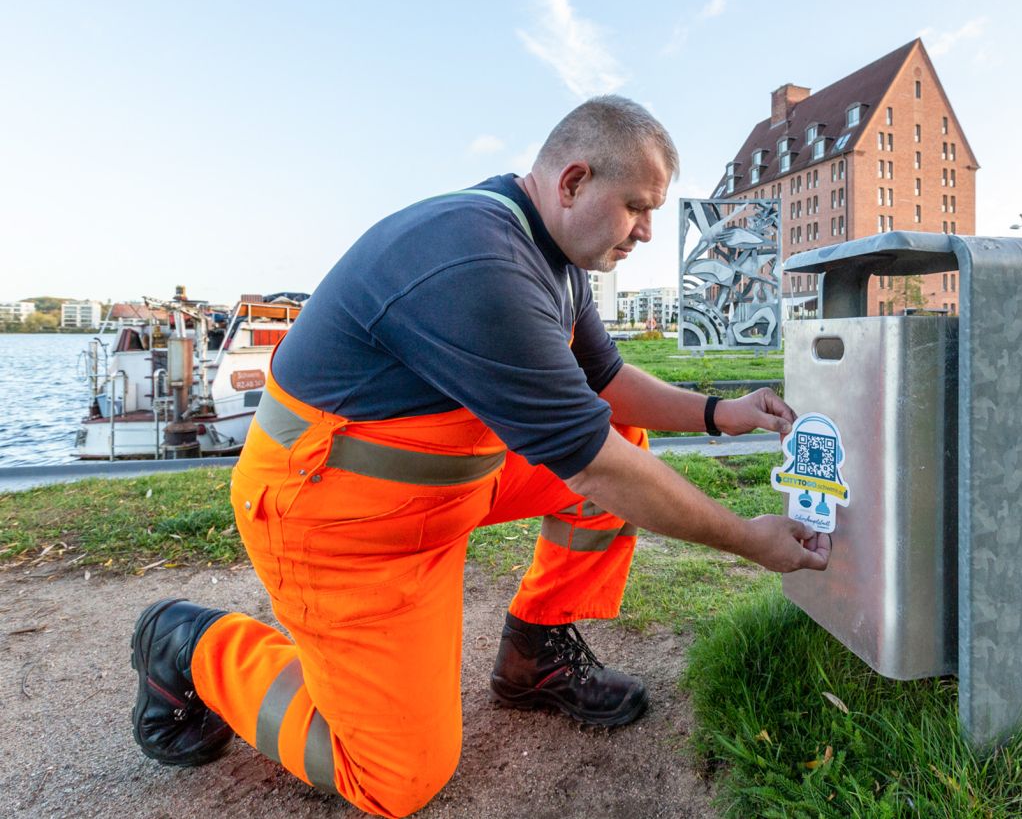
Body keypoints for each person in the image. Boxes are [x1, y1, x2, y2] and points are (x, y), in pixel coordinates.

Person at [129, 96, 830, 818]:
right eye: (637, 207)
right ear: (574, 182)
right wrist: (750, 539)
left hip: (438, 488)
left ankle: (533, 656)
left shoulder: (551, 254)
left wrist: (721, 413)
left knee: (628, 442)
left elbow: (609, 383)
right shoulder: (481, 261)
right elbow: (595, 463)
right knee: (396, 779)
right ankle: (193, 645)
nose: (649, 231)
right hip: (336, 519)